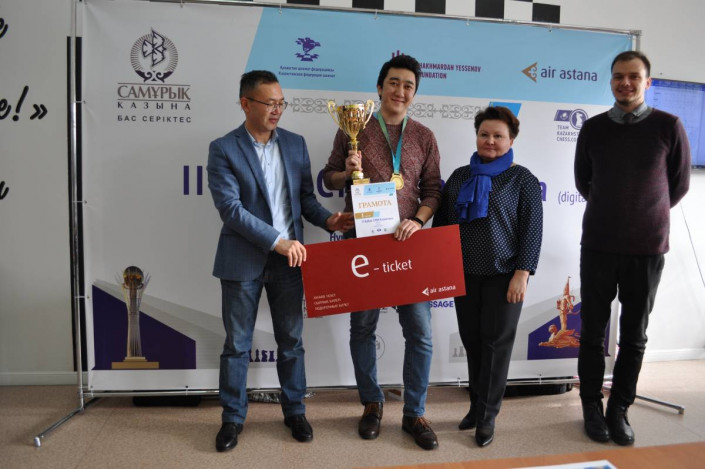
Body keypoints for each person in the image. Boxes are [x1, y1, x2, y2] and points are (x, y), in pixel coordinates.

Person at [207, 70, 354, 452]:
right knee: (237, 345)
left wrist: (329, 220)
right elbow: (231, 210)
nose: (277, 110)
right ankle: (232, 418)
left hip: (290, 262)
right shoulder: (223, 148)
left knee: (291, 341)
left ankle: (295, 411)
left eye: (281, 103)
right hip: (243, 260)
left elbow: (304, 199)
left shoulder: (294, 144)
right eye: (269, 103)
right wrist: (278, 242)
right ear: (246, 103)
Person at [321, 54, 442, 450]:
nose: (400, 91)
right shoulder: (352, 128)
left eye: (408, 85)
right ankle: (372, 403)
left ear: (414, 93)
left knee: (420, 333)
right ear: (379, 87)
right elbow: (329, 177)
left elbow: (433, 191)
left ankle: (415, 413)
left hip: (409, 246)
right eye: (393, 82)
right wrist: (347, 170)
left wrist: (418, 221)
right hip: (364, 245)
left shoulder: (423, 136)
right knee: (362, 328)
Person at [575, 51, 691, 446]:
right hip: (598, 243)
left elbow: (678, 185)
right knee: (592, 332)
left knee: (635, 335)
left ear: (647, 82)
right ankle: (591, 406)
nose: (625, 83)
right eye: (618, 76)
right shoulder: (593, 128)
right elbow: (583, 181)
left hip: (647, 246)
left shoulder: (669, 126)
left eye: (634, 77)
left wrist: (645, 212)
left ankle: (619, 408)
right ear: (611, 81)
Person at [433, 106, 543, 447]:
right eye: (484, 134)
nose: (490, 141)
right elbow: (442, 226)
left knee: (496, 346)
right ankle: (475, 406)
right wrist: (436, 268)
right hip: (464, 274)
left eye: (498, 136)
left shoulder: (522, 179)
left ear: (511, 140)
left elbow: (532, 230)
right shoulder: (459, 176)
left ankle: (487, 416)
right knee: (473, 342)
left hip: (504, 276)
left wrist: (522, 273)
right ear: (476, 136)